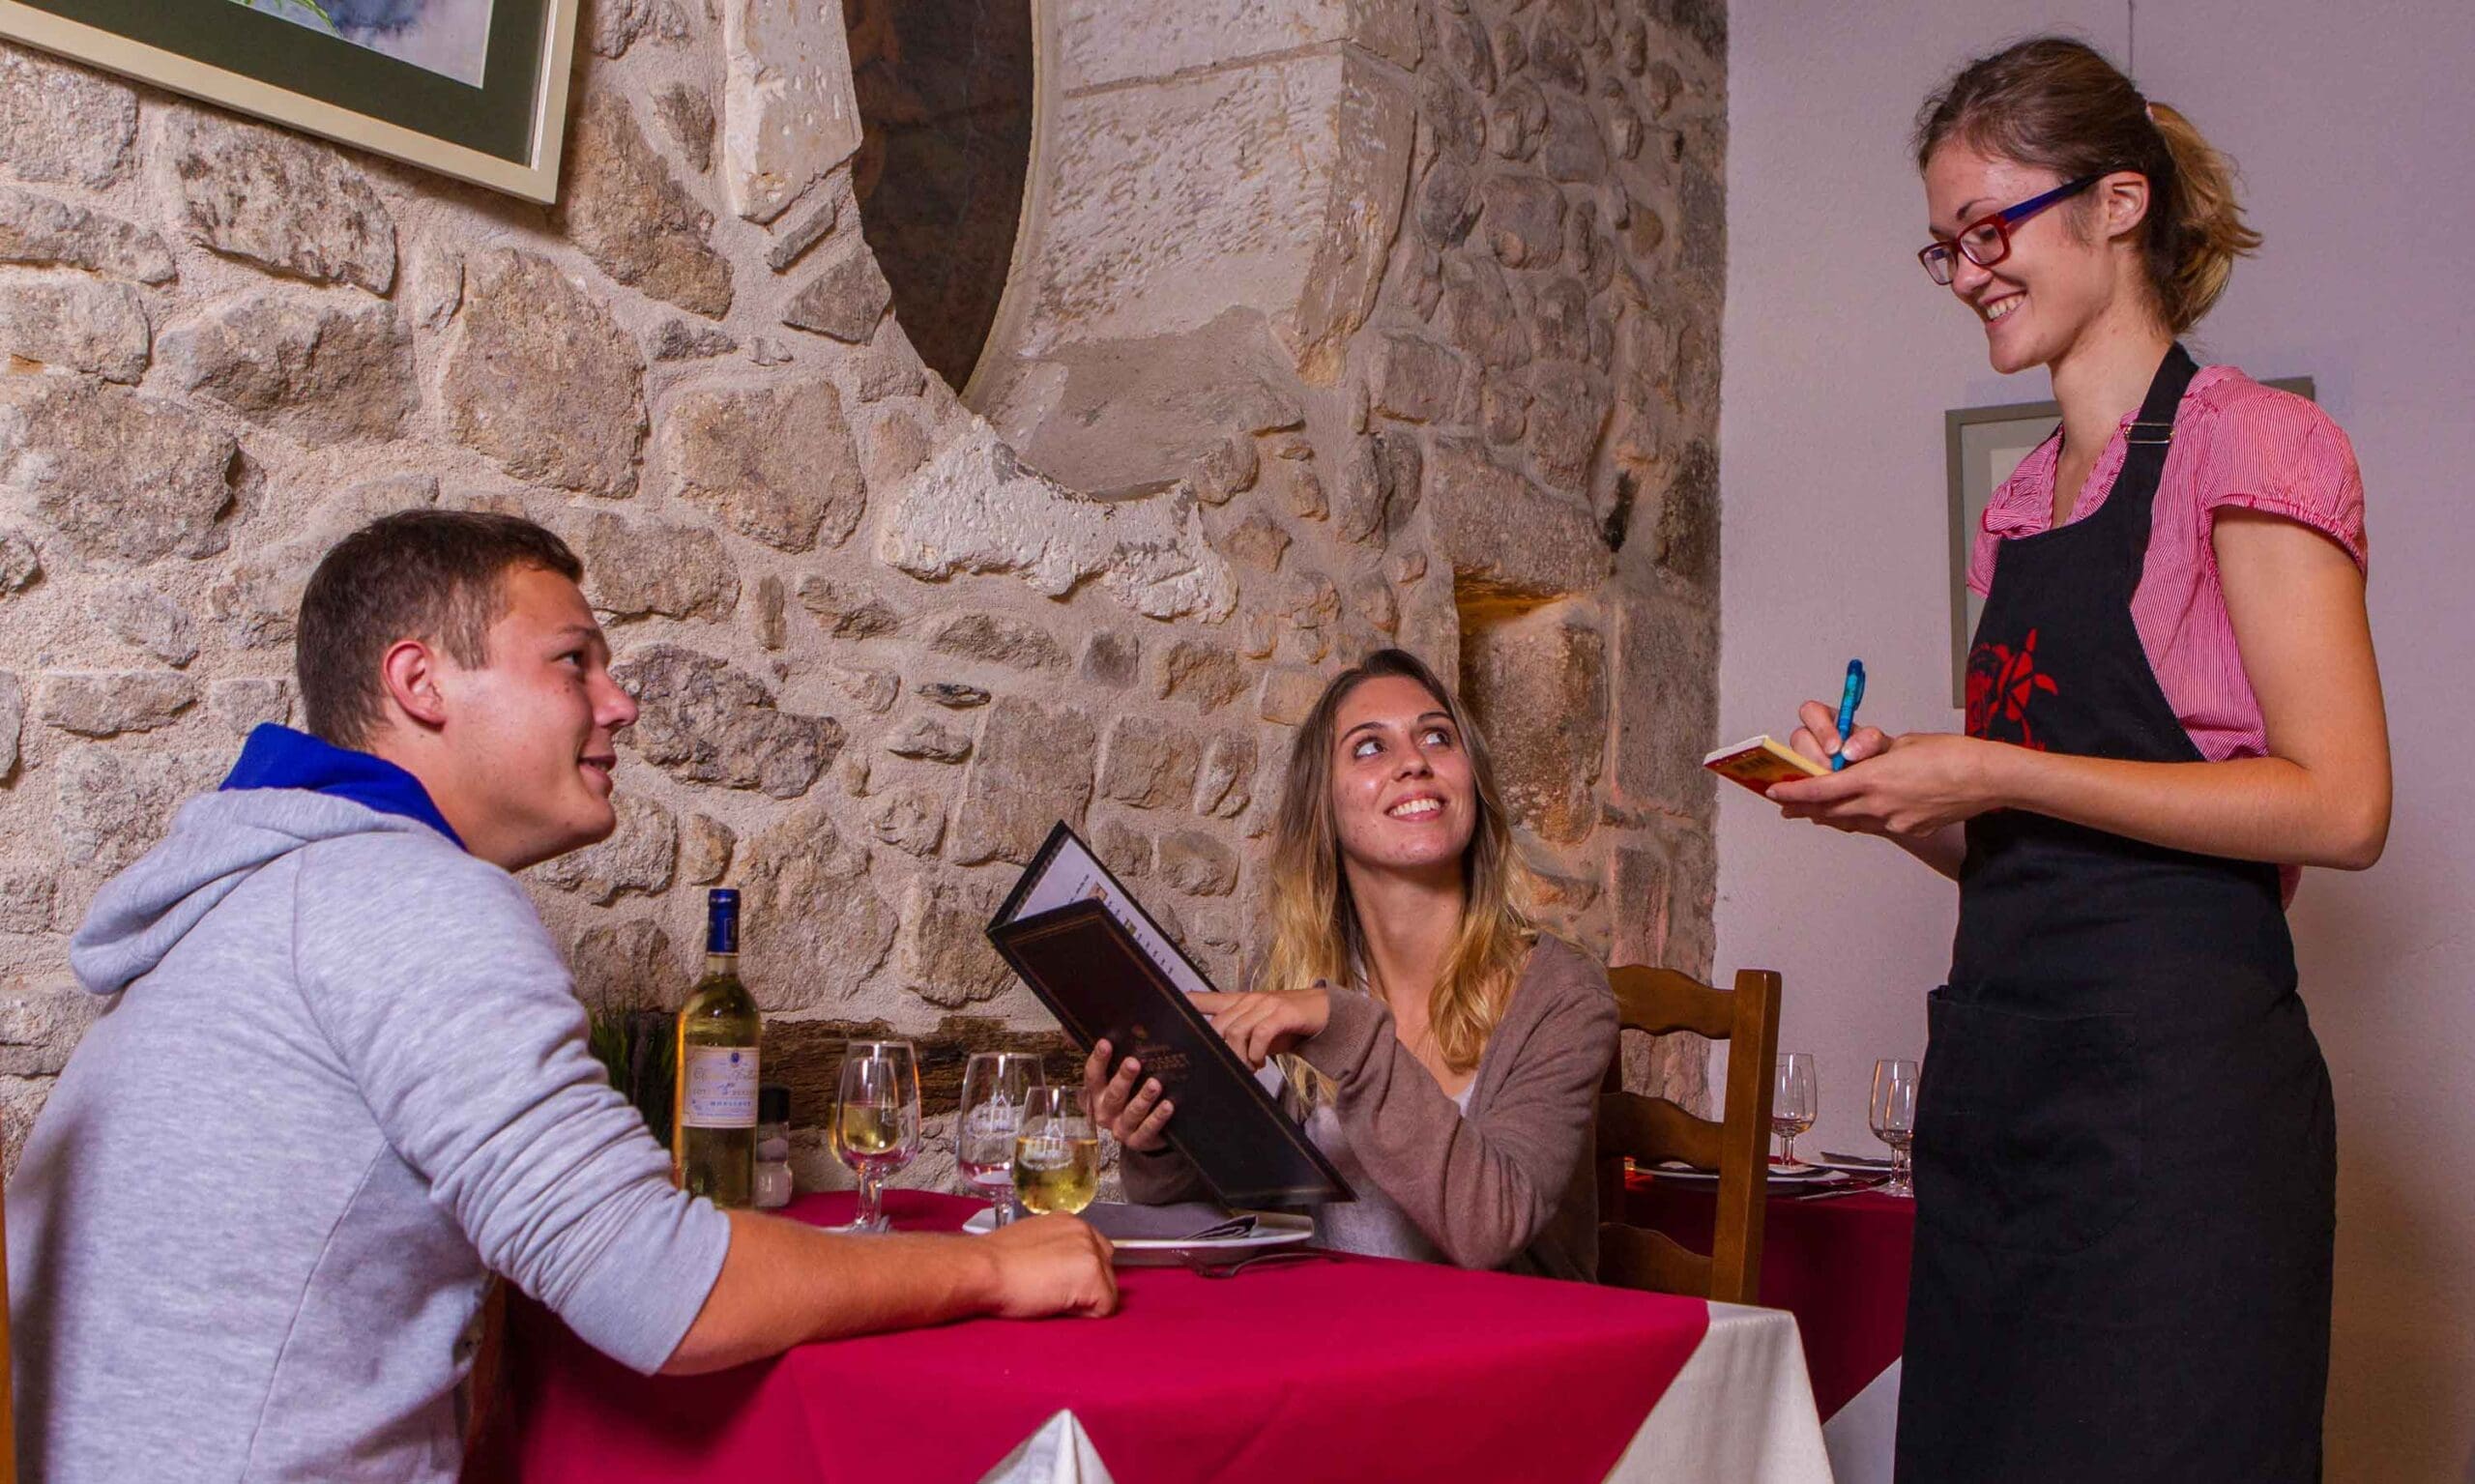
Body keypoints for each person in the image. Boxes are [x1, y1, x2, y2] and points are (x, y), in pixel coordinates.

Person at [5, 511, 1117, 1483]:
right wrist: (992, 1263)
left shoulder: (265, 893)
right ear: (419, 682)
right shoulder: (400, 893)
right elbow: (658, 1288)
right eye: (573, 660)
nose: (620, 702)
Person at [1765, 39, 2390, 1483]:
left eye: (1992, 227)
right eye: (1946, 244)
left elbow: (2343, 805)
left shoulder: (2259, 444)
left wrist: (1992, 769)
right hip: (2005, 1101)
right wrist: (1902, 797)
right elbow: (2037, 845)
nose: (1970, 267)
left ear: (2118, 203)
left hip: (2181, 1125)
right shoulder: (2029, 500)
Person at [1085, 649, 1616, 1279]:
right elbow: (1229, 1221)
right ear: (1324, 808)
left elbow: (1489, 1228)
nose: (1414, 761)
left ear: (1471, 782)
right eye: (1370, 748)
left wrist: (1342, 1028)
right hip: (1330, 1347)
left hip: (1503, 1357)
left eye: (1437, 737)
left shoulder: (1561, 995)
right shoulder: (1288, 975)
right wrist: (1160, 1139)